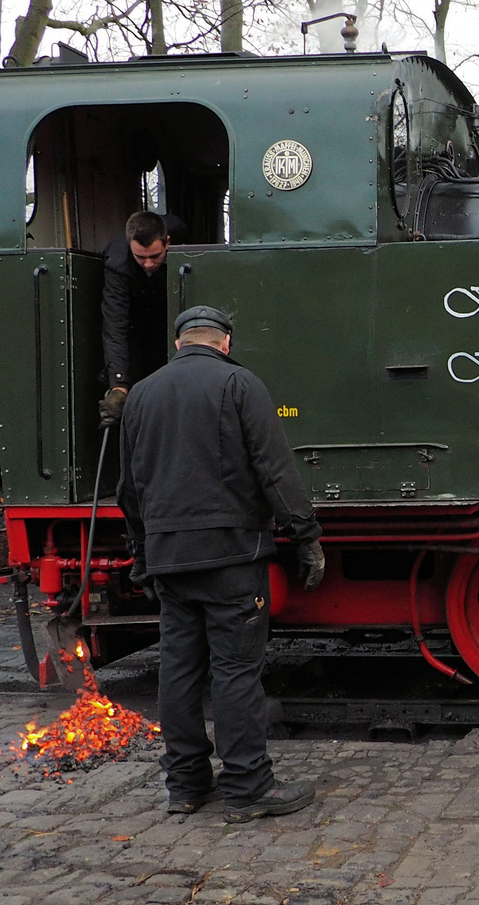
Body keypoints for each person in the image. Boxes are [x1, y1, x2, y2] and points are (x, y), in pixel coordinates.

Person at [118, 305, 325, 822]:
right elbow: (275, 470)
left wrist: (144, 556)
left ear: (179, 343)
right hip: (231, 555)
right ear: (225, 342)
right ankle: (247, 788)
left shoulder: (141, 394)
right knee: (235, 671)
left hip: (169, 557)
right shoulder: (240, 384)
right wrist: (306, 537)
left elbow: (128, 490)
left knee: (179, 670)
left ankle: (185, 786)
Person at [100, 210, 189, 426]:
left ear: (167, 242)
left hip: (170, 318)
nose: (148, 264)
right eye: (141, 257)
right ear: (130, 243)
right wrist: (119, 383)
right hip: (136, 324)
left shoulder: (181, 234)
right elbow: (115, 325)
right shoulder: (117, 263)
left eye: (155, 256)